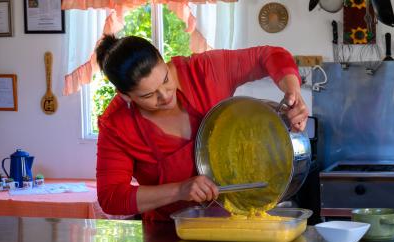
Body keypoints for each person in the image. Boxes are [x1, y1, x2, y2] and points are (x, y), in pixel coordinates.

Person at [95, 34, 309, 220]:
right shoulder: (116, 125)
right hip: (169, 236)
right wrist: (179, 190)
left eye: (165, 79)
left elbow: (269, 55)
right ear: (124, 95)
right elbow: (112, 197)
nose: (165, 95)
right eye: (149, 95)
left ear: (163, 60)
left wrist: (293, 92)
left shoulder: (204, 71)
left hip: (237, 220)